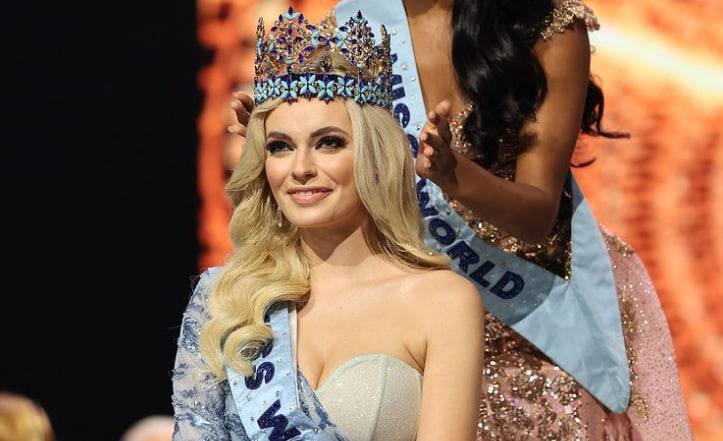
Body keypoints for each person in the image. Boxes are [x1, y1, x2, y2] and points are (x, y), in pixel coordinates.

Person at [229, 1, 693, 439]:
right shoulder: (355, 27)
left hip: (539, 324)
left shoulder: (544, 28)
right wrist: (277, 141)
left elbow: (538, 214)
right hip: (412, 322)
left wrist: (454, 175)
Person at [173, 8, 484, 440]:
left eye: (329, 143)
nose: (300, 168)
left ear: (375, 155)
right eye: (280, 147)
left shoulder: (442, 302)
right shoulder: (228, 298)